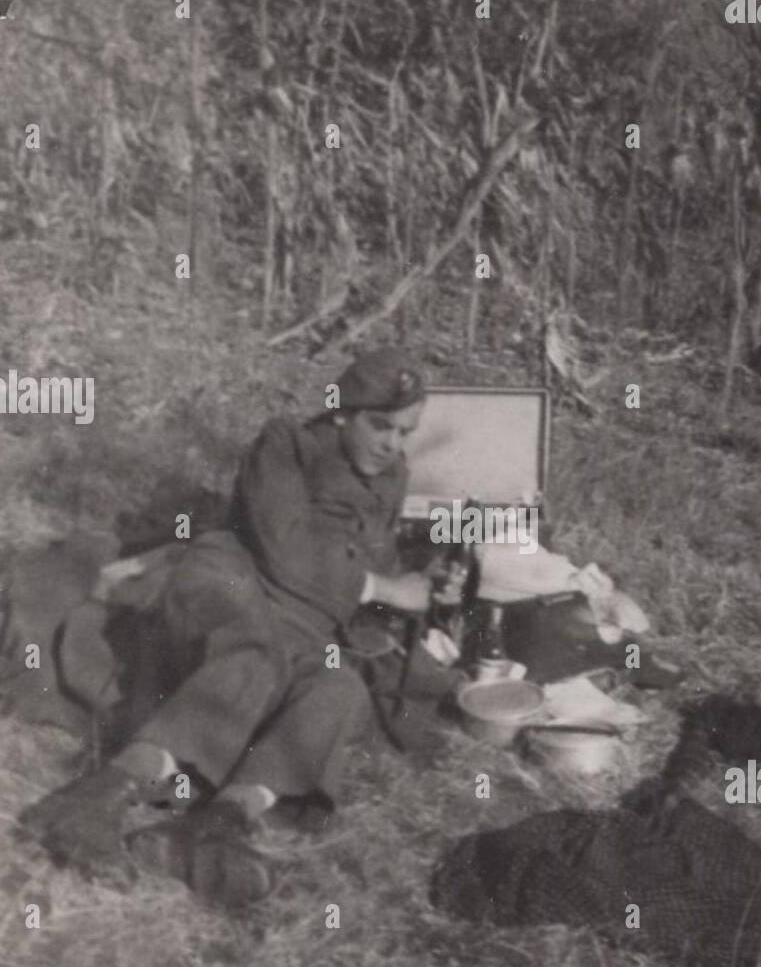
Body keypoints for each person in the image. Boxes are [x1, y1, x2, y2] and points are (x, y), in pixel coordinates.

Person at [20, 348, 462, 907]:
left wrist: (419, 582)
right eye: (382, 426)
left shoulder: (392, 478)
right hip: (229, 580)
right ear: (344, 413)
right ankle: (94, 799)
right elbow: (284, 552)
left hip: (306, 624)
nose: (393, 444)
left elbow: (375, 562)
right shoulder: (286, 445)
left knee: (338, 689)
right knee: (252, 656)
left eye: (405, 432)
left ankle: (215, 827)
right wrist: (383, 588)